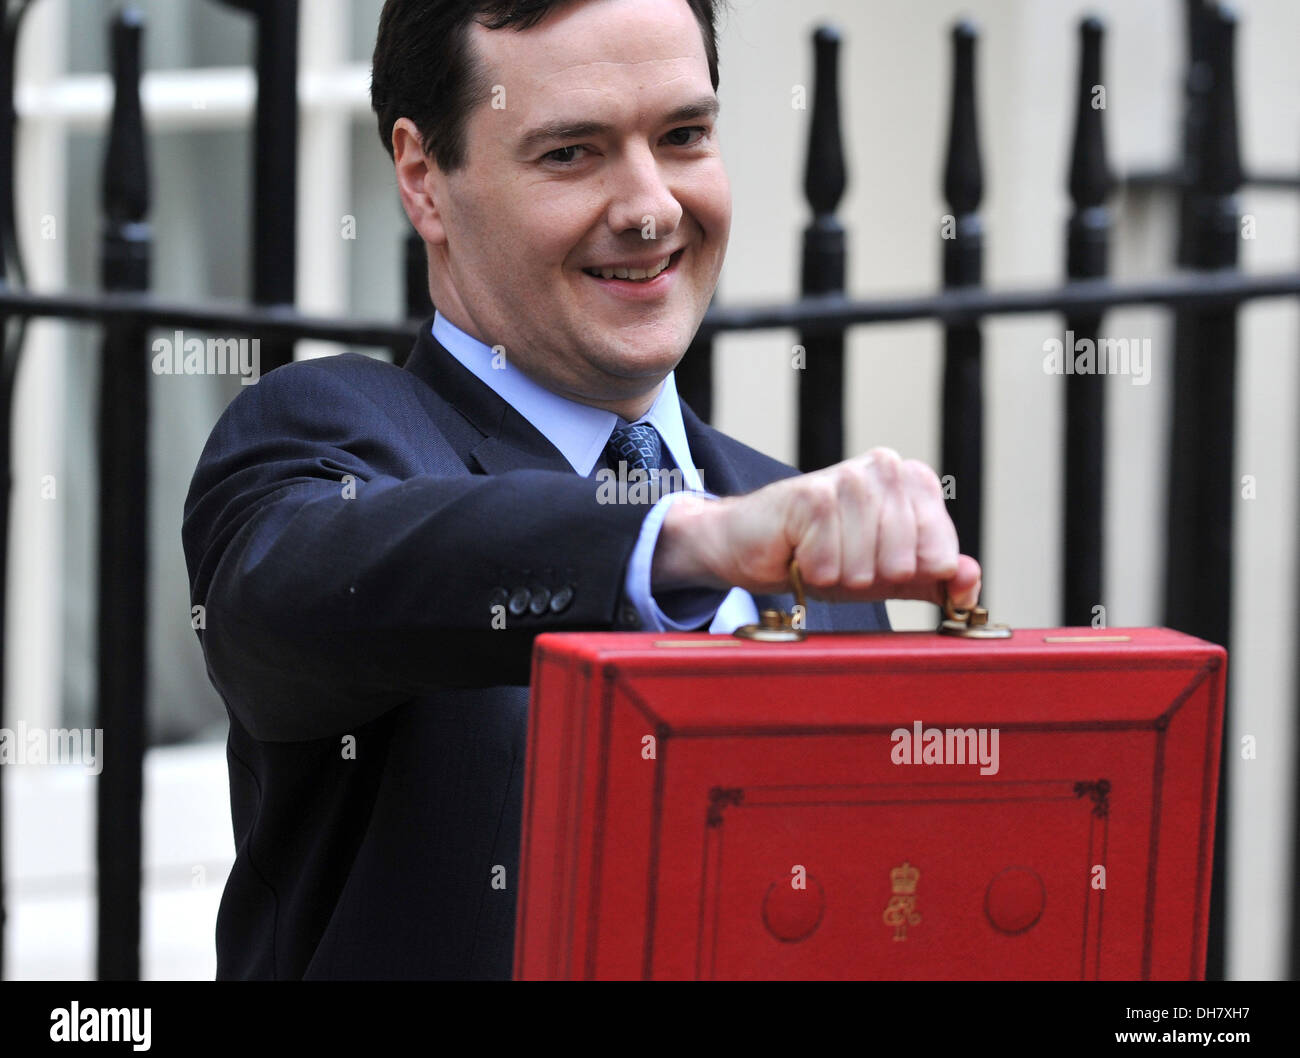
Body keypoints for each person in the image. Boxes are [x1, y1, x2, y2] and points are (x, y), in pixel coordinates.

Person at [182, 0, 980, 980]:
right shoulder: (337, 436)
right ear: (423, 179)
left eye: (683, 136)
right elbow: (288, 594)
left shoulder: (788, 525)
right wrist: (671, 546)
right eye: (572, 153)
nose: (651, 207)